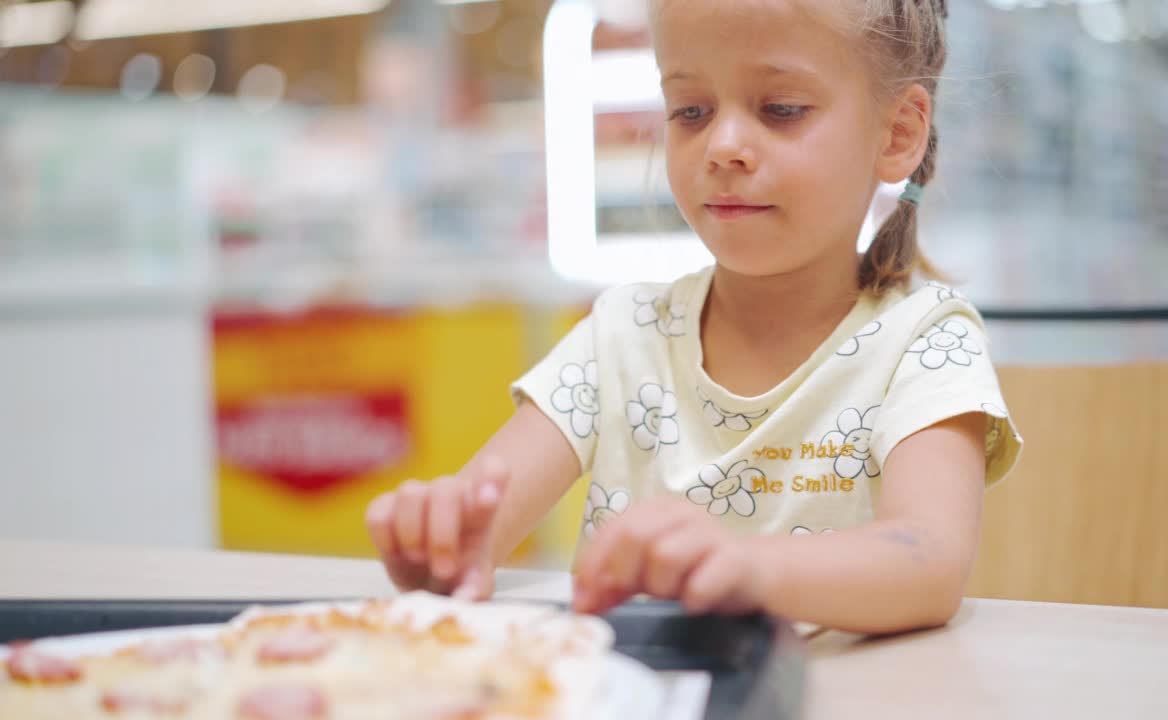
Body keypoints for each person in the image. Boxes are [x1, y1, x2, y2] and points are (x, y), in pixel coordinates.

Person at [367, 0, 1023, 634]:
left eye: (781, 109)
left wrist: (746, 566)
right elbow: (487, 508)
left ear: (899, 133)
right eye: (690, 111)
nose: (724, 145)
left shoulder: (924, 342)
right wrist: (447, 540)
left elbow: (928, 564)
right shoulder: (623, 332)